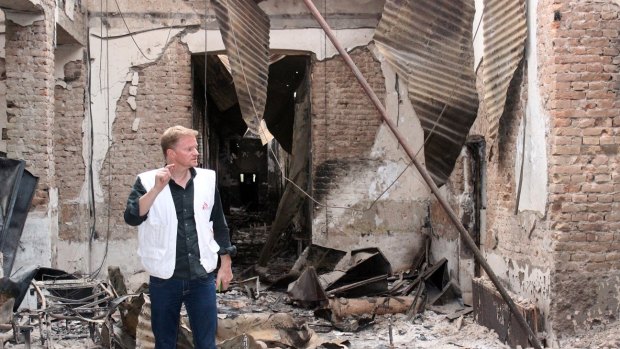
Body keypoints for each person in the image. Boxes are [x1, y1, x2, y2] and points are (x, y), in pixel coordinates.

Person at [124, 125, 234, 349]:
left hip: (201, 277)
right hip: (165, 280)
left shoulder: (207, 180)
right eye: (189, 148)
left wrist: (226, 264)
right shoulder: (146, 181)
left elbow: (219, 224)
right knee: (164, 343)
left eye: (196, 147)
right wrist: (156, 190)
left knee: (206, 343)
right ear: (171, 154)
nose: (196, 152)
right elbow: (132, 217)